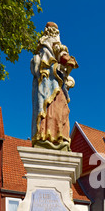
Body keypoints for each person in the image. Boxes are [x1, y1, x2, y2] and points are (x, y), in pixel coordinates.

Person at [31, 22, 78, 151]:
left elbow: (61, 58)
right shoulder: (48, 44)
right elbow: (59, 56)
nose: (54, 33)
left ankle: (55, 136)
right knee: (53, 108)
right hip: (49, 85)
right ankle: (49, 136)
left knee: (59, 110)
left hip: (52, 84)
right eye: (53, 30)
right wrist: (67, 62)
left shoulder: (47, 47)